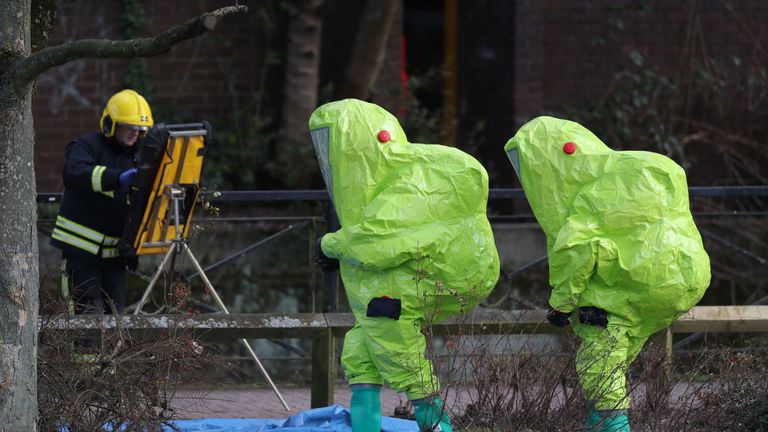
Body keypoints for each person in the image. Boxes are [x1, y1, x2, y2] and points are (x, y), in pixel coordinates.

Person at [504, 116, 710, 432]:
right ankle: (597, 423)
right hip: (682, 280)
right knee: (614, 360)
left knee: (599, 363)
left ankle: (614, 426)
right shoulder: (628, 171)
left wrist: (561, 304)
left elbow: (577, 252)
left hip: (620, 294)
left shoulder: (585, 194)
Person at [309, 99, 500, 432]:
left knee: (405, 363)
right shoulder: (391, 185)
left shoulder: (406, 185)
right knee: (360, 355)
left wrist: (330, 245)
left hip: (396, 294)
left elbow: (378, 241)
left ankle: (438, 426)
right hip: (388, 292)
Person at [51, 89, 153, 317]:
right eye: (129, 126)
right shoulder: (88, 145)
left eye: (139, 128)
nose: (135, 133)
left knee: (115, 320)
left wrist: (132, 246)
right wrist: (116, 178)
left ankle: (108, 356)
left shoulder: (137, 156)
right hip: (81, 253)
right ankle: (82, 356)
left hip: (114, 257)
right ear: (110, 124)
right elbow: (74, 174)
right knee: (86, 319)